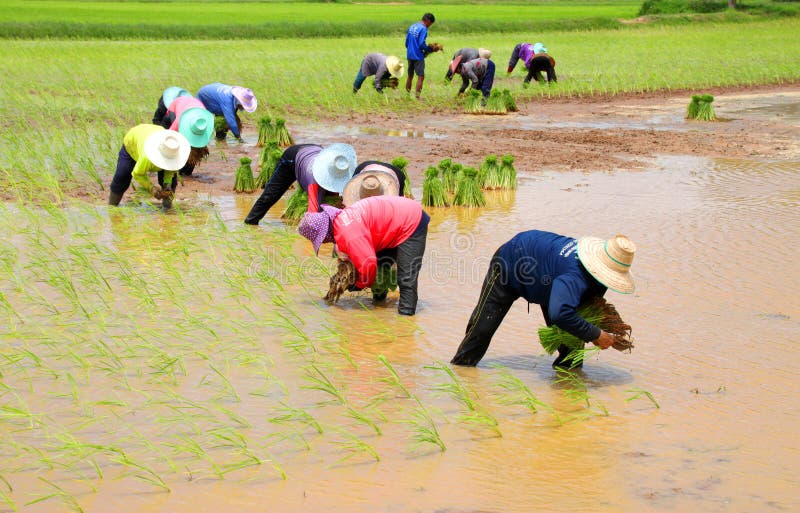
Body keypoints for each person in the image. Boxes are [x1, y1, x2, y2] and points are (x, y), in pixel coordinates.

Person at [450, 230, 636, 368]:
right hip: (511, 263)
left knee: (571, 350)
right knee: (481, 330)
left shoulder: (597, 278)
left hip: (548, 280)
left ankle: (566, 397)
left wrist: (599, 329)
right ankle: (461, 370)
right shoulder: (575, 276)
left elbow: (582, 309)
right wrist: (596, 335)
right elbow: (559, 313)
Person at [298, 196, 430, 316]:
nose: (325, 242)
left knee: (406, 279)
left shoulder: (348, 232)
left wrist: (359, 284)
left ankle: (406, 322)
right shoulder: (340, 220)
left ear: (325, 233)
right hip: (392, 224)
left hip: (411, 221)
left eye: (323, 240)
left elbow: (369, 263)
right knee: (381, 270)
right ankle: (380, 306)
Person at [244, 143, 357, 225]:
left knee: (329, 200)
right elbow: (312, 214)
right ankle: (250, 221)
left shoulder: (341, 171)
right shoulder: (313, 181)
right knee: (270, 195)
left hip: (315, 152)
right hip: (292, 158)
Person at [108, 124, 190, 209]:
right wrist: (151, 188)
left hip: (155, 134)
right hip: (132, 143)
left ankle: (167, 210)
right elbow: (137, 173)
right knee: (122, 176)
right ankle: (112, 207)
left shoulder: (173, 151)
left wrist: (167, 183)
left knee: (171, 183)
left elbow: (170, 170)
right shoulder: (147, 156)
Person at [163, 96, 214, 177]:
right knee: (177, 144)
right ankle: (175, 172)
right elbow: (169, 137)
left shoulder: (204, 124)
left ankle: (186, 173)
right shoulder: (178, 122)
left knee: (195, 152)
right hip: (176, 106)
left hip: (194, 106)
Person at [405, 12, 436, 99]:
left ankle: (407, 96)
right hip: (418, 56)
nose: (429, 26)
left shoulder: (412, 26)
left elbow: (406, 43)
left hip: (409, 54)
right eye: (430, 24)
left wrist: (411, 49)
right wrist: (429, 49)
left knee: (410, 76)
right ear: (428, 21)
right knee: (421, 76)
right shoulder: (423, 29)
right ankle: (417, 97)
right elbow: (421, 44)